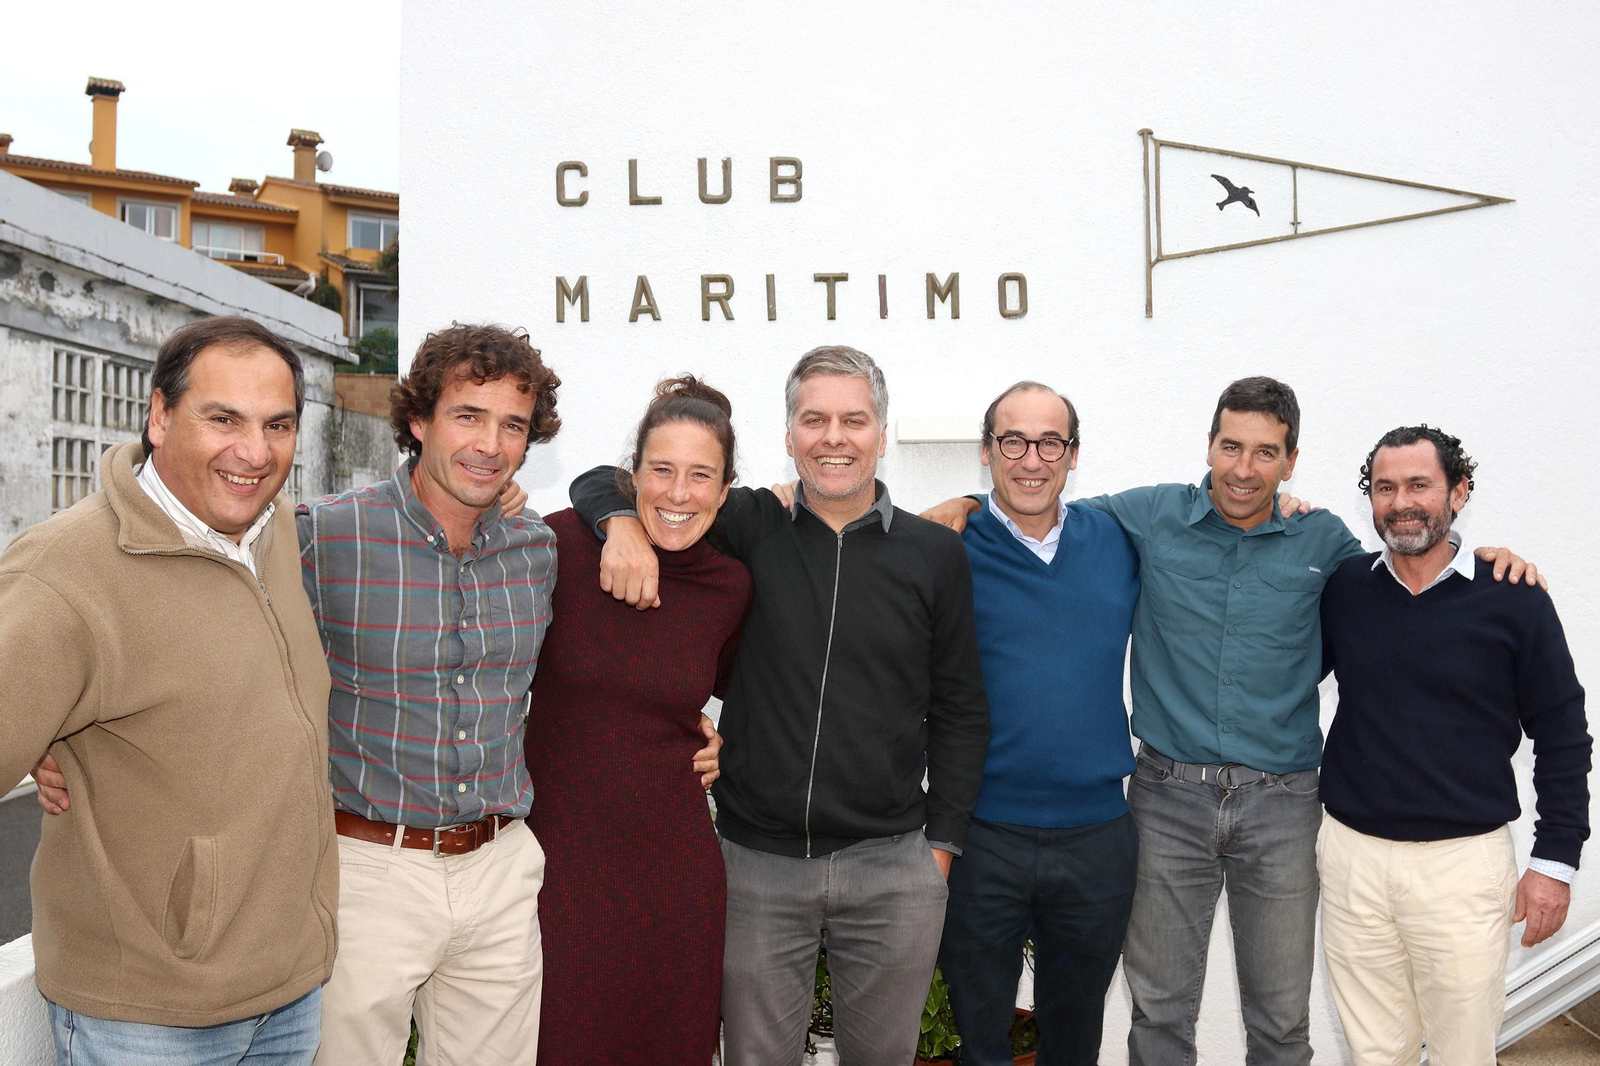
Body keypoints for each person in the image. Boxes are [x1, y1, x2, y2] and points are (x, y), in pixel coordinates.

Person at [920, 376, 1539, 1066]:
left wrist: (1487, 560)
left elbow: (1408, 575)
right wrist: (964, 504)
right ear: (1209, 447)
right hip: (1166, 798)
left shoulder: (1324, 539)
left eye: (1266, 453)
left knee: (1279, 1019)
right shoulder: (1148, 517)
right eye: (1231, 447)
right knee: (1158, 1014)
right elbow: (1036, 503)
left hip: (1283, 805)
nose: (1245, 469)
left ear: (1291, 460)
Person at [571, 345, 990, 1066]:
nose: (834, 436)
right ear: (789, 432)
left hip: (891, 866)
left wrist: (940, 850)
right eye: (814, 419)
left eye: (854, 420)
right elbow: (603, 481)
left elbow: (960, 707)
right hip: (756, 862)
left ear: (881, 433)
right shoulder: (752, 523)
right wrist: (622, 525)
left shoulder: (932, 554)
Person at [1, 316, 335, 1065]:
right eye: (224, 419)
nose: (255, 452)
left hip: (287, 992)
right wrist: (40, 732)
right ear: (159, 416)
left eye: (278, 425)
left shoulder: (272, 531)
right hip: (150, 1018)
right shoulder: (65, 572)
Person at [298, 324, 563, 1065]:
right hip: (369, 868)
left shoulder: (535, 549)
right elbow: (210, 638)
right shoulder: (325, 537)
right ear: (419, 421)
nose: (490, 443)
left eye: (512, 425)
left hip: (500, 866)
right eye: (468, 416)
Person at [1317, 425, 1589, 1065]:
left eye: (1419, 485)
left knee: (1462, 1053)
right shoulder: (1346, 589)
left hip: (1462, 870)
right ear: (1371, 501)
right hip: (1351, 860)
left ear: (1458, 492)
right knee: (1374, 1052)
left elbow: (1563, 734)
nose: (1401, 502)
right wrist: (1285, 512)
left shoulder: (1513, 597)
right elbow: (1282, 670)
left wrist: (1555, 862)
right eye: (1386, 488)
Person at [525, 376, 753, 1065]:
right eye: (661, 470)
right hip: (559, 863)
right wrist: (613, 524)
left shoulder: (729, 585)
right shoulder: (558, 547)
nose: (678, 494)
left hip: (675, 873)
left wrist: (730, 742)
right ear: (632, 475)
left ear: (726, 487)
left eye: (700, 475)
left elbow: (760, 691)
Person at [935, 382, 1140, 1066]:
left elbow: (1221, 515)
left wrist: (1288, 507)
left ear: (1073, 454)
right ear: (987, 453)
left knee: (1074, 1042)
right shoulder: (945, 548)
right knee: (982, 1042)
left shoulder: (1116, 539)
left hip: (1097, 840)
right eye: (1013, 441)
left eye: (1050, 442)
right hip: (981, 837)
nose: (1032, 459)